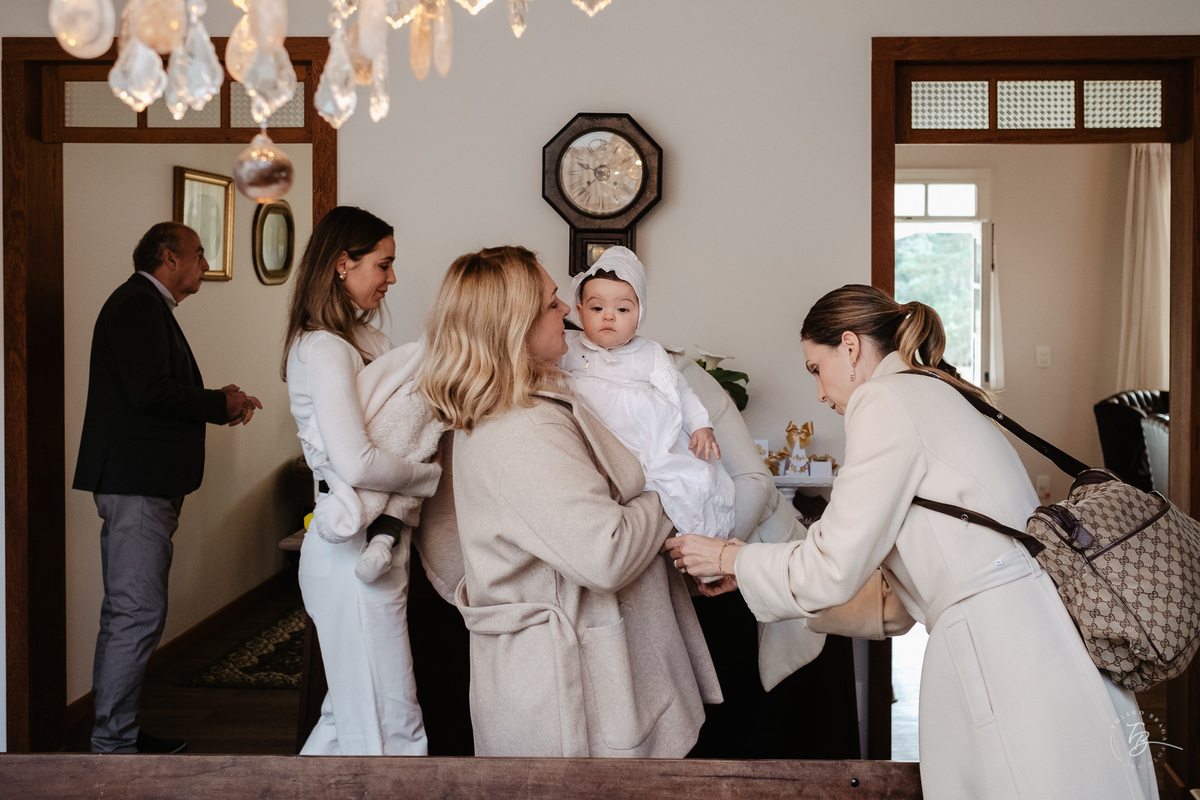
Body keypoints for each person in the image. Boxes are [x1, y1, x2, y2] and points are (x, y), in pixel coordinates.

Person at [666, 284, 1160, 799]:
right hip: (1034, 636)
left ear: (851, 348)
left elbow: (832, 564)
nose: (819, 392)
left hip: (998, 648)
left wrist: (730, 555)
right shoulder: (934, 391)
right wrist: (747, 577)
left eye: (816, 368)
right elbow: (892, 603)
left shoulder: (885, 400)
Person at [414, 245, 721, 758]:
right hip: (575, 696)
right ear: (516, 323)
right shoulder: (521, 428)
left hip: (598, 668)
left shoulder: (544, 396)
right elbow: (606, 554)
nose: (567, 311)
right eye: (553, 301)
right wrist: (675, 489)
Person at [73, 221, 261, 754]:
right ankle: (113, 747)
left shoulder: (146, 305)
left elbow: (155, 387)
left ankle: (119, 734)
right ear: (167, 257)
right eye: (198, 254)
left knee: (132, 611)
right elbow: (149, 391)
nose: (204, 264)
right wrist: (216, 404)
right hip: (136, 485)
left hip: (140, 482)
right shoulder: (137, 304)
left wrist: (216, 400)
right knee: (136, 612)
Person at [282, 205, 440, 755]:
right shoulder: (322, 348)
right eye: (384, 264)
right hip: (346, 553)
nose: (392, 278)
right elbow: (356, 462)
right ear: (342, 264)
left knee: (357, 715)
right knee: (384, 723)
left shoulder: (364, 342)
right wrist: (428, 476)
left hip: (378, 546)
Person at [561, 247, 736, 544]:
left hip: (643, 434)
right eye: (596, 308)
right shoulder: (569, 346)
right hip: (596, 433)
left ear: (640, 314)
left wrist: (700, 426)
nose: (608, 317)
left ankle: (699, 542)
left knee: (687, 481)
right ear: (579, 312)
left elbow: (680, 391)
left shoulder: (649, 352)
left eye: (622, 310)